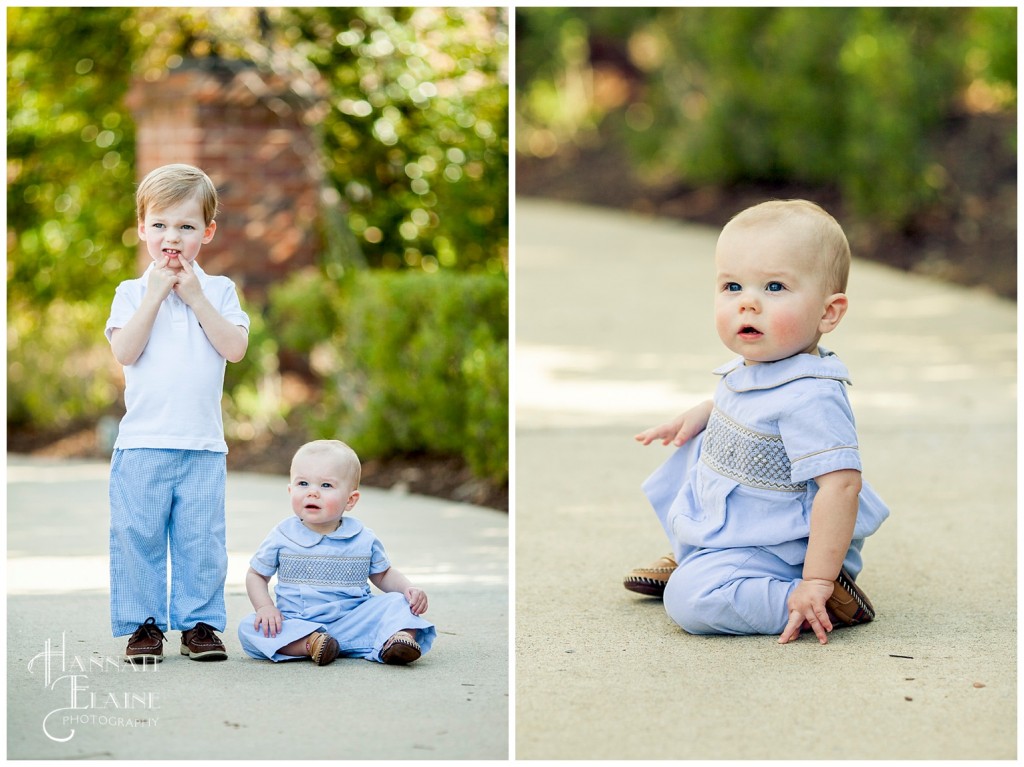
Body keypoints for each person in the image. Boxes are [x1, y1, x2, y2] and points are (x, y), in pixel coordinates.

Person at [626, 199, 888, 645]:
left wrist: (817, 580)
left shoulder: (812, 396)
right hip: (744, 517)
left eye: (773, 287)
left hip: (782, 546)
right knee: (685, 463)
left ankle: (806, 601)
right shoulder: (758, 363)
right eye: (731, 286)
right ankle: (703, 551)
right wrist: (696, 416)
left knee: (690, 602)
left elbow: (841, 486)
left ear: (828, 312)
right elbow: (740, 401)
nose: (747, 303)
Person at [106, 163, 249, 663]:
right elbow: (125, 352)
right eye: (161, 225)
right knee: (137, 537)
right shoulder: (130, 292)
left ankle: (199, 624)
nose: (173, 237)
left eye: (186, 227)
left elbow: (233, 348)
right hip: (142, 443)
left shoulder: (221, 290)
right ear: (142, 228)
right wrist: (155, 295)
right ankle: (143, 625)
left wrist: (194, 295)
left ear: (206, 233)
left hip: (202, 445)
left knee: (201, 541)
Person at [238, 440, 436, 666]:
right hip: (300, 622)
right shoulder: (282, 535)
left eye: (326, 486)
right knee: (250, 627)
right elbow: (256, 575)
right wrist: (265, 607)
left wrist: (407, 589)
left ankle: (398, 640)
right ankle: (310, 644)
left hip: (354, 619)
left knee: (398, 603)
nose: (312, 493)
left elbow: (383, 574)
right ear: (291, 490)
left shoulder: (362, 537)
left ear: (350, 500)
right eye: (303, 483)